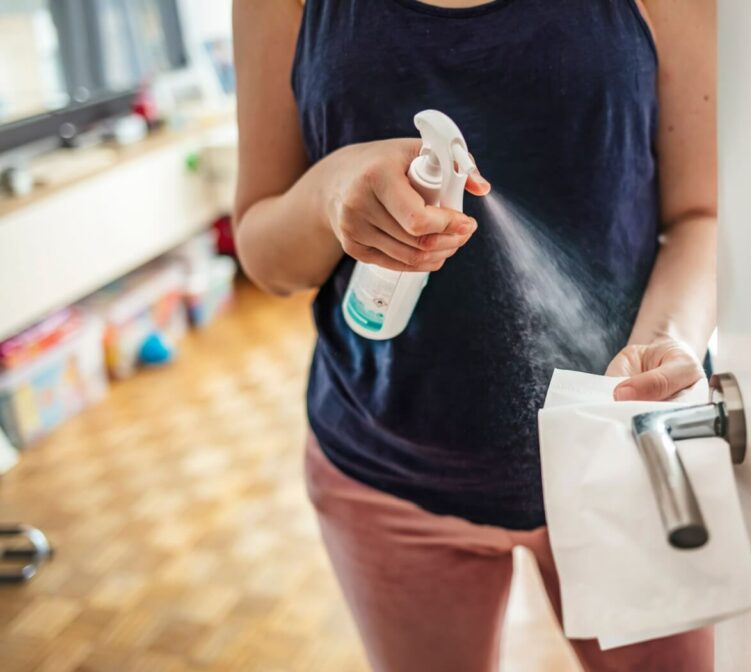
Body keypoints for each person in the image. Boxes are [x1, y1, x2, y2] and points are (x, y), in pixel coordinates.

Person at [233, 0, 717, 669]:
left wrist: (671, 339)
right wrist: (327, 194)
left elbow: (704, 214)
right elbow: (264, 258)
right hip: (383, 479)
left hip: (626, 462)